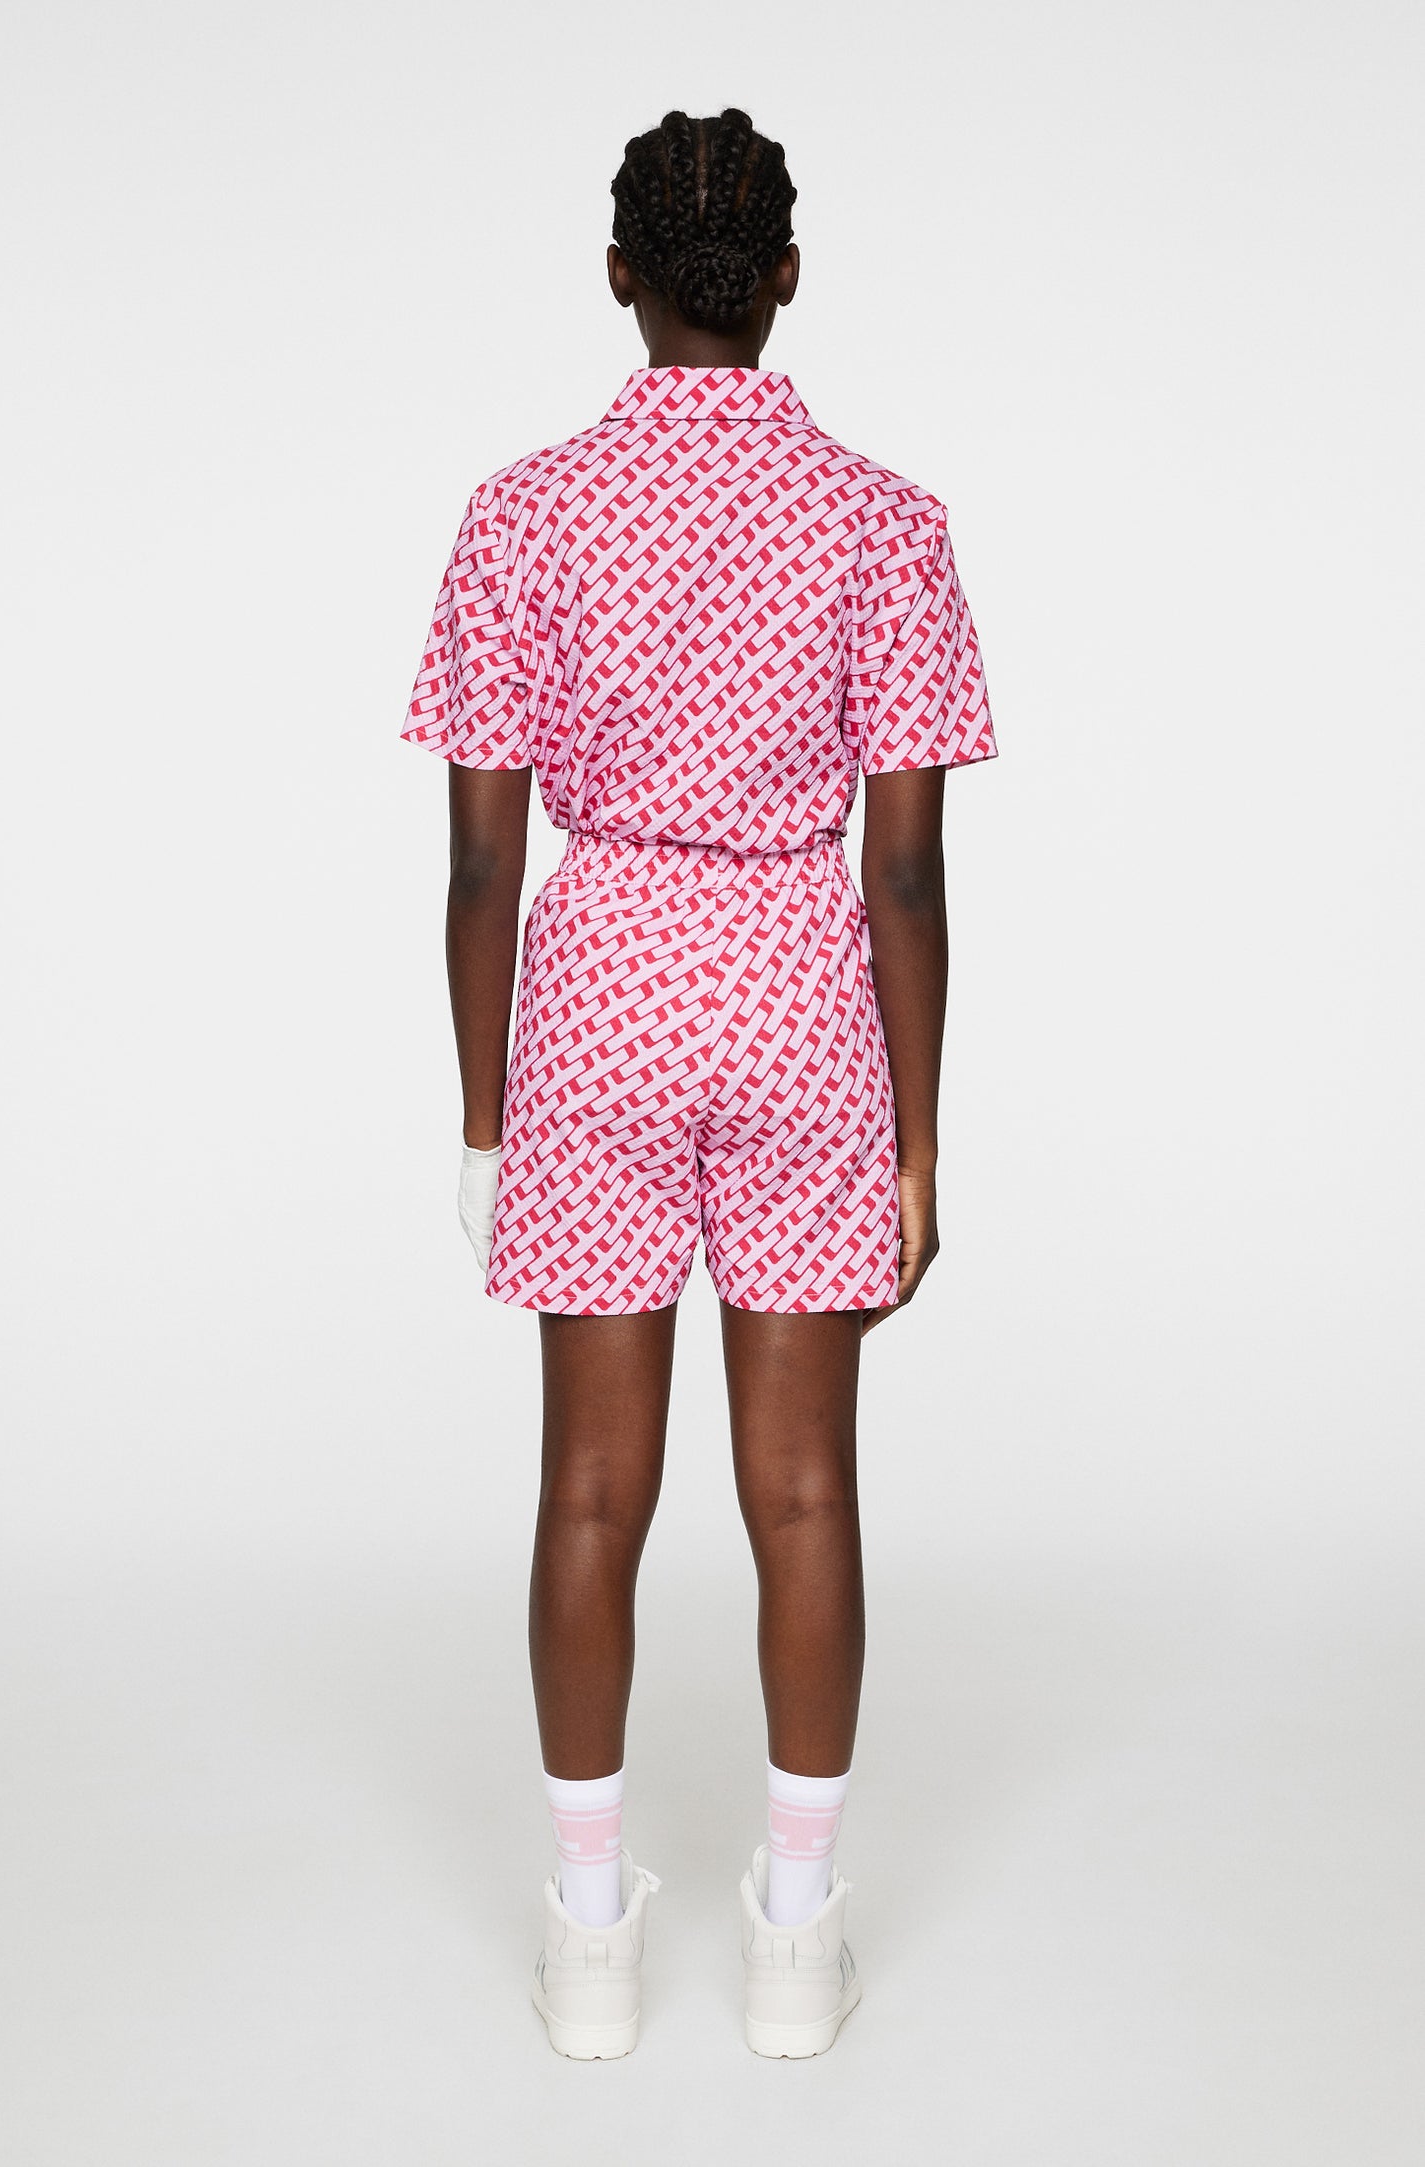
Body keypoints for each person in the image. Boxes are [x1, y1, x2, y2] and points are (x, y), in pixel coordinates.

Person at [401, 107, 996, 2061]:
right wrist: (918, 1147)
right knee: (804, 1490)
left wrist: (485, 1125)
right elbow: (904, 872)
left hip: (597, 998)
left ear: (619, 278)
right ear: (787, 281)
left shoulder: (521, 514)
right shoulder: (885, 520)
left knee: (589, 1487)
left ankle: (588, 1944)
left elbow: (479, 866)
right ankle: (794, 1939)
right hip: (802, 993)